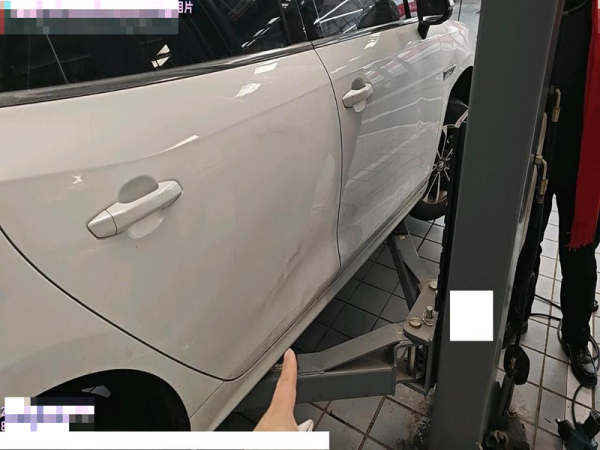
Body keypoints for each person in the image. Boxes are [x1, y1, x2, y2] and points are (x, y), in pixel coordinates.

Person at [504, 0, 600, 387]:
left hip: (582, 158)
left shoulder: (595, 17)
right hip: (534, 151)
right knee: (524, 242)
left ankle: (575, 336)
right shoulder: (533, 12)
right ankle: (514, 316)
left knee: (580, 256)